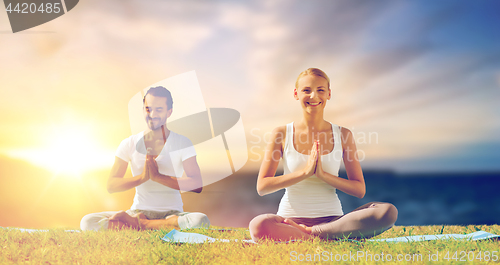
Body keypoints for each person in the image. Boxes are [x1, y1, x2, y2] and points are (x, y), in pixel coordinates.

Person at [249, 68, 397, 242]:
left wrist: (322, 175)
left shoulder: (343, 134)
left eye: (320, 90)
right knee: (258, 225)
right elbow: (262, 186)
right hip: (289, 221)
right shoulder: (281, 133)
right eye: (306, 90)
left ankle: (313, 233)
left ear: (329, 94)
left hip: (333, 221)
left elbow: (359, 190)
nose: (314, 96)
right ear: (296, 94)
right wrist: (304, 173)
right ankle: (328, 237)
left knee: (388, 211)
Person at [80, 86, 210, 231]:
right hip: (138, 212)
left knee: (200, 220)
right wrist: (143, 178)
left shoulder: (182, 142)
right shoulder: (129, 143)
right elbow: (112, 184)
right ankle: (158, 225)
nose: (152, 114)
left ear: (169, 112)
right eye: (148, 109)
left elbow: (196, 184)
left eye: (158, 110)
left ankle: (138, 225)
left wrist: (158, 177)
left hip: (173, 213)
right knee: (88, 222)